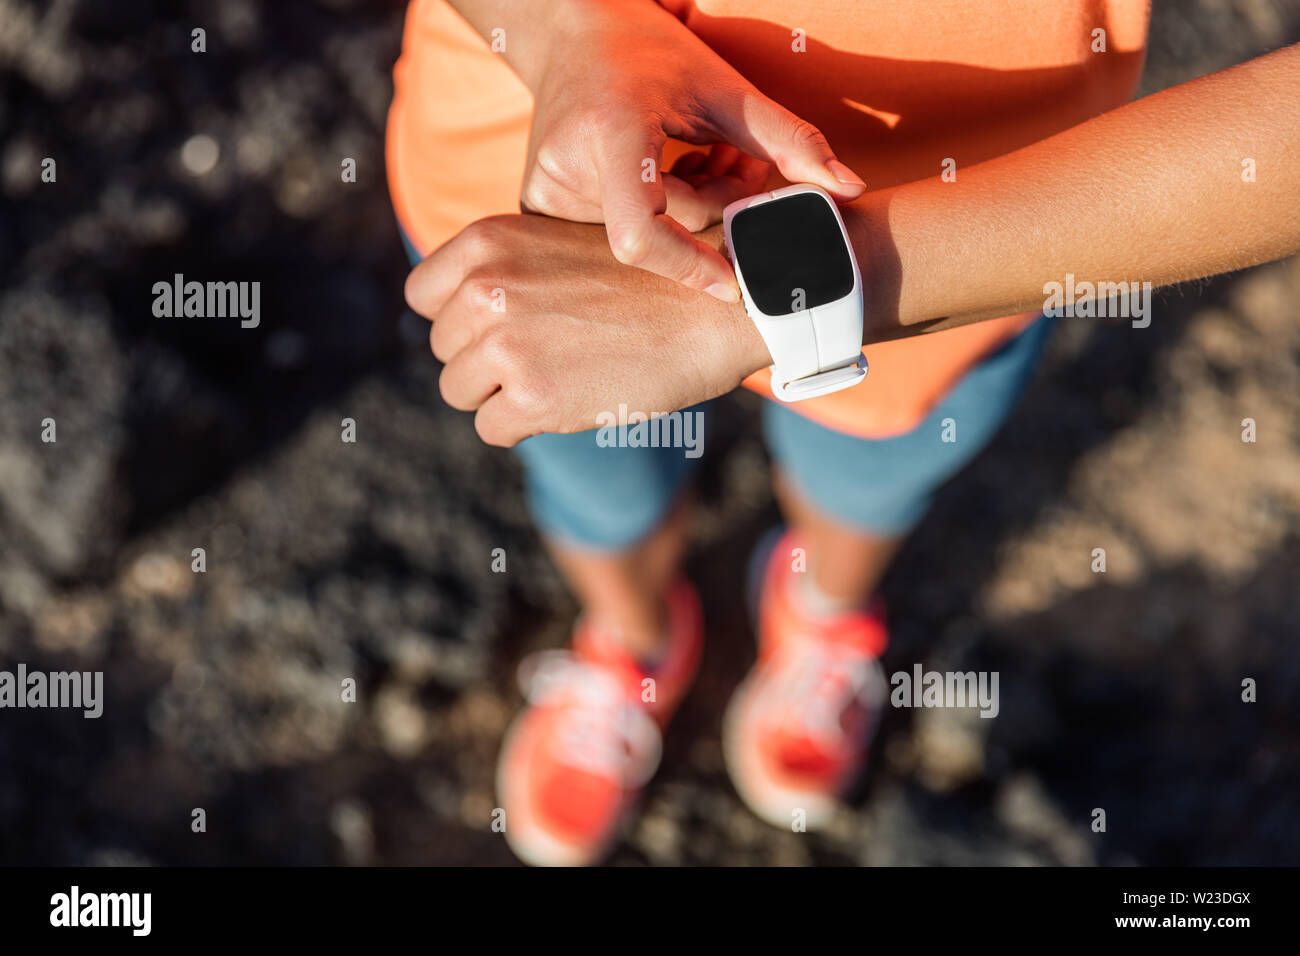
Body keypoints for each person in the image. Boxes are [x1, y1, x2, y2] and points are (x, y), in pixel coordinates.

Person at [391, 0, 1300, 864]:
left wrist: (773, 304)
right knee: (596, 482)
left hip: (963, 236)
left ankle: (820, 611)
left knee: (869, 479)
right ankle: (631, 638)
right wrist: (564, 30)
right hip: (530, 173)